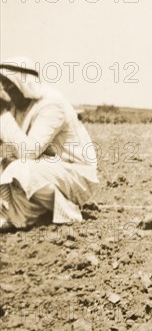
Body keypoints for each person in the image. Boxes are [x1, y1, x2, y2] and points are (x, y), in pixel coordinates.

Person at [0, 57, 99, 231]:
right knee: (8, 165)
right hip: (44, 168)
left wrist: (3, 115)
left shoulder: (51, 104)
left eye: (9, 85)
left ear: (23, 83)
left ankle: (64, 209)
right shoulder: (16, 105)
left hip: (75, 174)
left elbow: (28, 152)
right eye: (3, 85)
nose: (6, 90)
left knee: (19, 170)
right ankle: (31, 211)